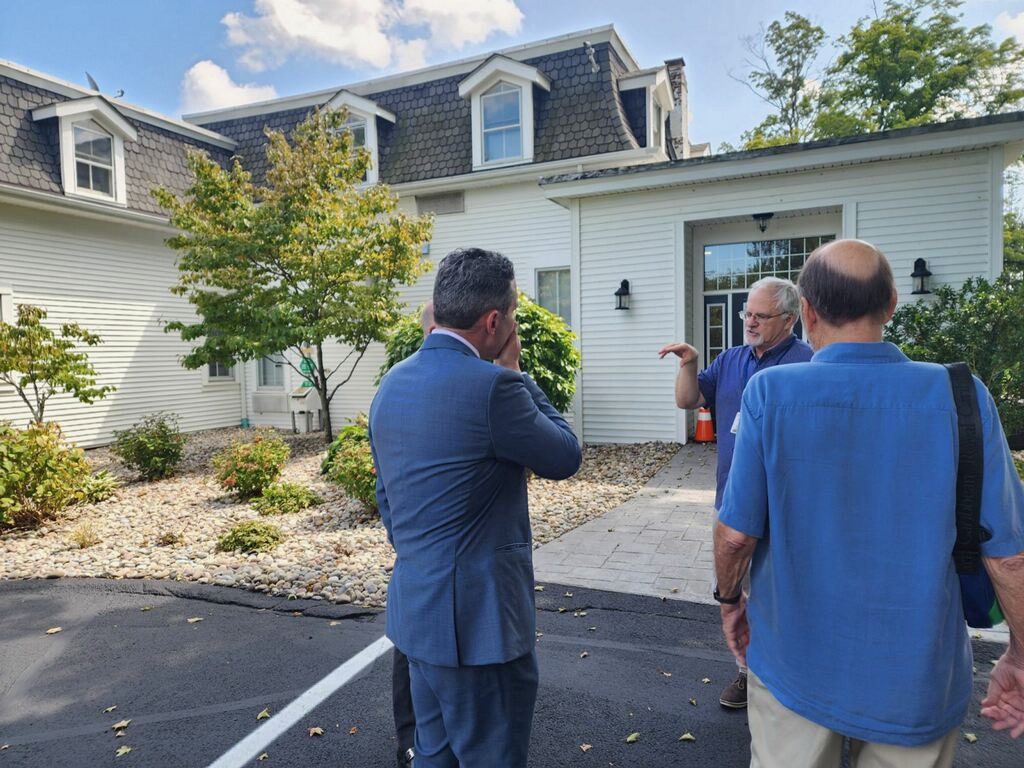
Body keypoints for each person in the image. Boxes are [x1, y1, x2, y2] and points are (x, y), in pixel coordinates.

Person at [714, 239, 1024, 767]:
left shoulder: (769, 393)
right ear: (891, 305)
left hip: (794, 664)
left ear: (807, 312)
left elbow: (736, 535)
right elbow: (1009, 557)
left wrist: (729, 602)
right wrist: (1019, 652)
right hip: (915, 679)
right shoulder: (962, 395)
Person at [369, 248, 581, 768]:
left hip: (417, 614)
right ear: (493, 322)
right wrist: (515, 370)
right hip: (482, 631)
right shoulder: (496, 388)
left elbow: (387, 498)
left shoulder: (391, 382)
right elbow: (565, 455)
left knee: (433, 755)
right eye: (512, 315)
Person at [658, 276, 812, 708]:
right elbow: (688, 401)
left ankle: (789, 677)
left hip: (787, 505)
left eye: (761, 316)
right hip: (732, 500)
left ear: (790, 319)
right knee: (732, 591)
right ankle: (747, 673)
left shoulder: (808, 364)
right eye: (747, 313)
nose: (750, 321)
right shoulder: (730, 359)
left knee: (782, 595)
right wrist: (689, 363)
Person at [390, 300, 437, 768]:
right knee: (410, 652)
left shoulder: (393, 383)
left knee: (413, 650)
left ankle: (417, 742)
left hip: (419, 551)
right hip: (422, 553)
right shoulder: (401, 383)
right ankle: (411, 742)